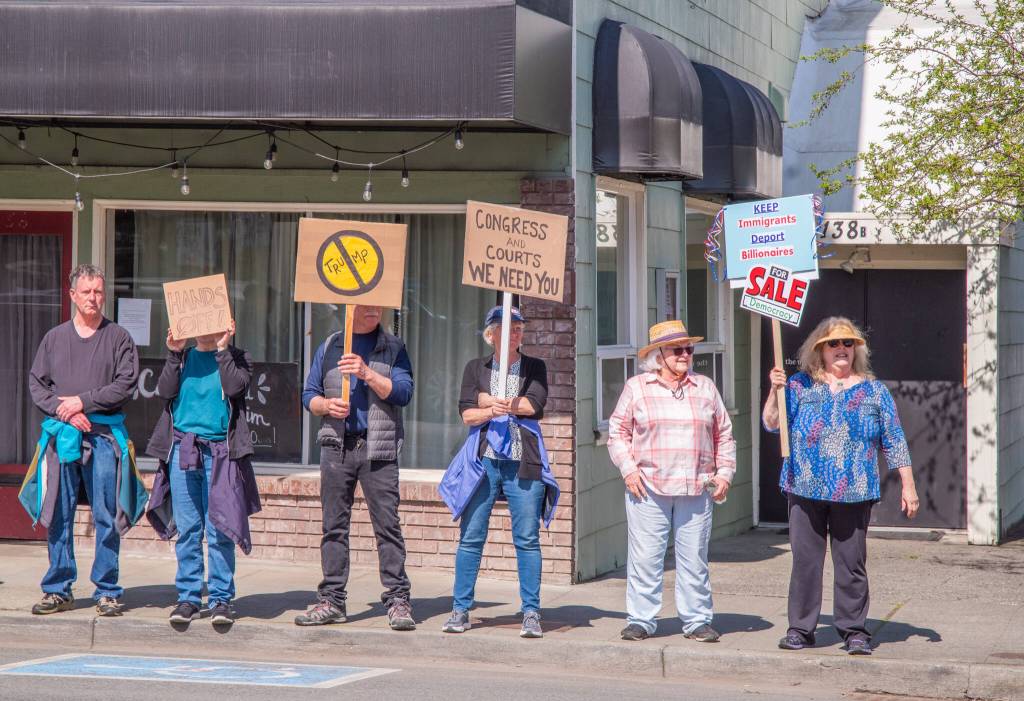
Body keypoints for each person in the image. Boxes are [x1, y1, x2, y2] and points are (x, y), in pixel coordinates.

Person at [762, 316, 919, 656]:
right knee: (805, 562)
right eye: (834, 343)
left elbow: (894, 440)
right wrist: (775, 393)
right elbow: (773, 425)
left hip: (854, 490)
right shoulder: (801, 386)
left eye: (849, 343)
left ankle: (854, 631)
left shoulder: (874, 391)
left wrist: (909, 486)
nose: (842, 349)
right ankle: (801, 629)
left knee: (851, 564)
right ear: (820, 349)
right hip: (803, 487)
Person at [23, 264, 144, 617]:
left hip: (104, 438)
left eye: (98, 291)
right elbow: (37, 384)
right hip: (63, 438)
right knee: (59, 514)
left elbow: (125, 385)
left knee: (106, 514)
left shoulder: (118, 338)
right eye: (86, 291)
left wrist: (82, 402)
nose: (93, 297)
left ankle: (107, 590)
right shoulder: (55, 338)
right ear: (72, 295)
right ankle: (58, 588)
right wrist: (66, 412)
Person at [607, 320, 735, 643]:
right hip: (648, 486)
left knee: (694, 558)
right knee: (646, 557)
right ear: (658, 355)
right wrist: (628, 469)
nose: (685, 354)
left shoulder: (705, 387)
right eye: (678, 349)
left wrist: (725, 473)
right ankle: (641, 619)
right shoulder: (637, 387)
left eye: (689, 349)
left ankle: (696, 620)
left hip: (696, 485)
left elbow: (724, 433)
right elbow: (617, 432)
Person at [438, 305, 559, 639]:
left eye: (519, 327)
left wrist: (490, 403)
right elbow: (466, 414)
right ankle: (460, 609)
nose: (516, 333)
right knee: (471, 536)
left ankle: (531, 611)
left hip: (523, 462)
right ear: (491, 335)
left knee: (527, 538)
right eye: (508, 328)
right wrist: (490, 406)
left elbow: (533, 405)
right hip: (484, 463)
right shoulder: (476, 368)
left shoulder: (534, 366)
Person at [295, 305, 416, 631]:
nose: (375, 309)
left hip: (378, 448)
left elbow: (404, 392)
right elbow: (309, 394)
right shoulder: (332, 344)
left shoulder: (393, 347)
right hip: (337, 447)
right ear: (351, 306)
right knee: (333, 527)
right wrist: (325, 405)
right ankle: (332, 599)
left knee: (387, 527)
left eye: (379, 304)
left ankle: (398, 600)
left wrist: (367, 373)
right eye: (368, 304)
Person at [144, 319, 261, 627]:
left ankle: (221, 598)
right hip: (183, 449)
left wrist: (222, 349)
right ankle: (189, 598)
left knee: (219, 527)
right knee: (188, 528)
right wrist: (173, 353)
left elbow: (235, 387)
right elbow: (164, 391)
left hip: (220, 452)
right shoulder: (183, 358)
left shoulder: (238, 358)